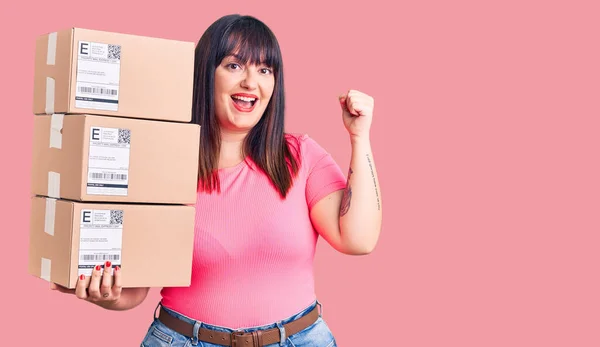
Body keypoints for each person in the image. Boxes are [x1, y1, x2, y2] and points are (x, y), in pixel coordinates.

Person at [50, 14, 383, 347]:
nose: (252, 82)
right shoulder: (160, 166)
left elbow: (358, 239)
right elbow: (135, 291)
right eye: (234, 66)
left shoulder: (300, 156)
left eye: (265, 70)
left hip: (300, 339)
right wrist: (104, 293)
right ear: (204, 75)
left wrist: (359, 137)